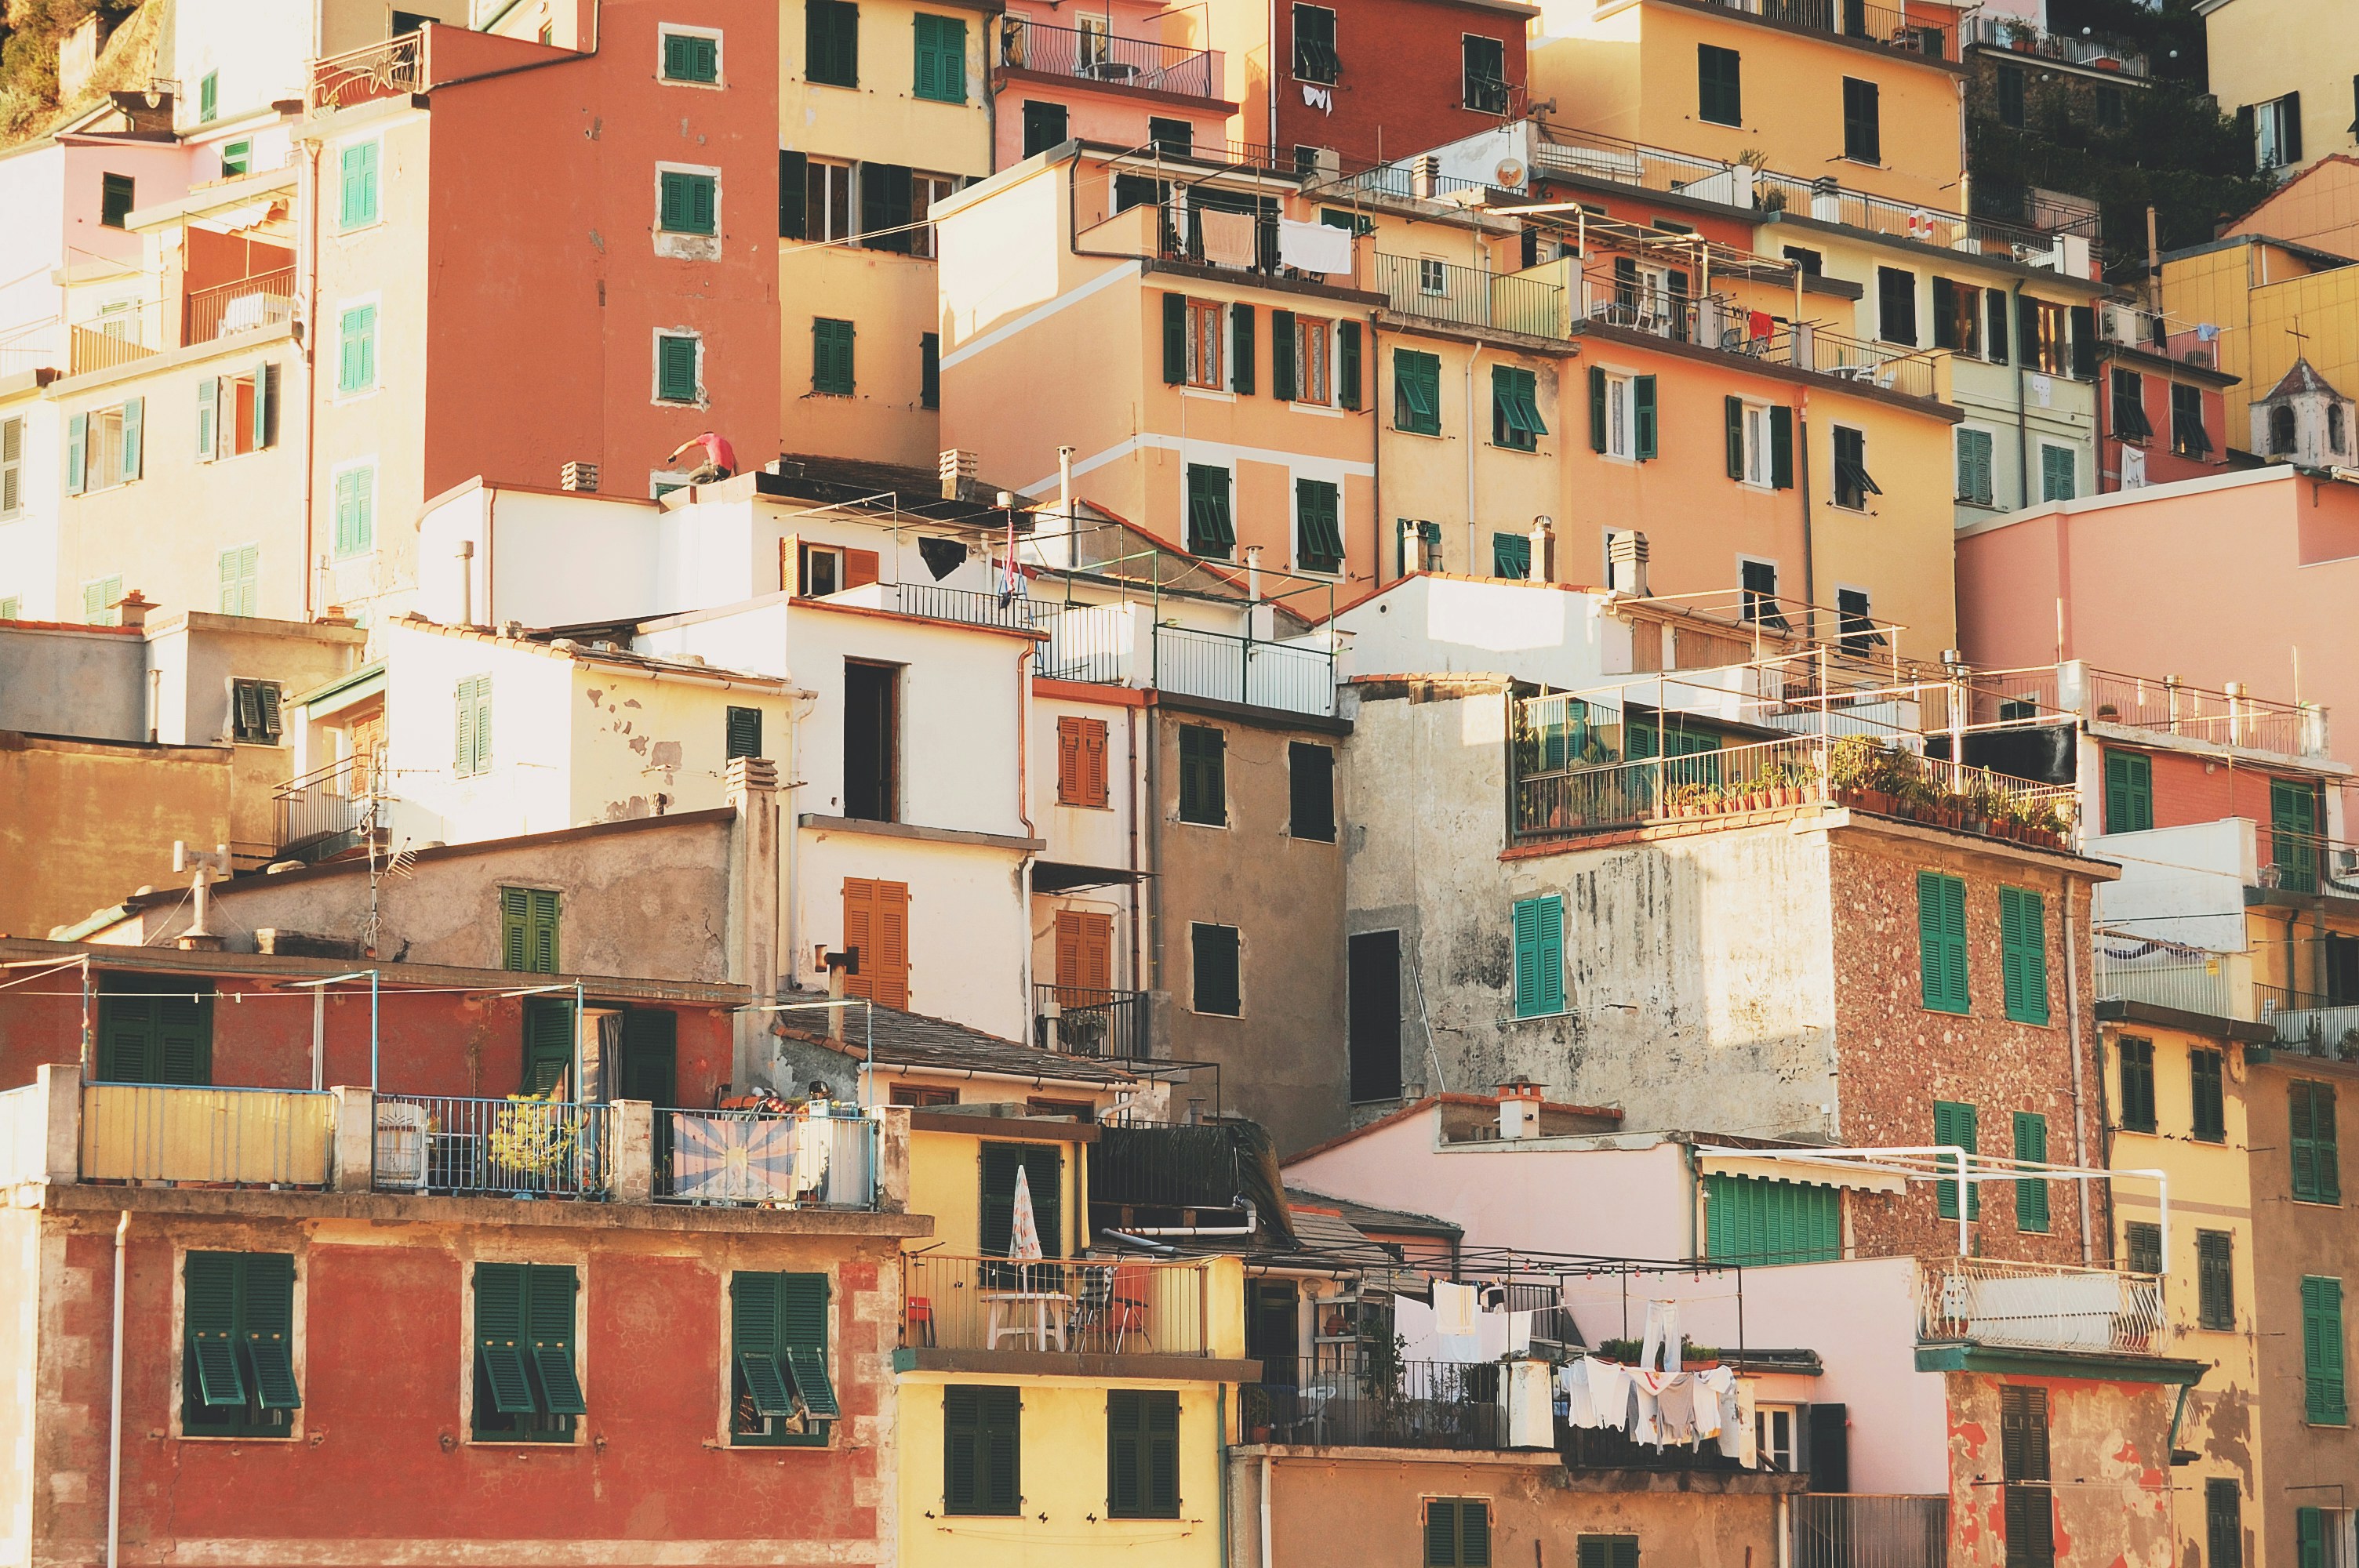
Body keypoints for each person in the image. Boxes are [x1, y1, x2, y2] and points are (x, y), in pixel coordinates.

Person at [667, 430, 737, 483]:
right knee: (706, 461)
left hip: (717, 469)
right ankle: (715, 478)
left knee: (691, 478)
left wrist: (674, 454)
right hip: (727, 473)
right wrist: (737, 477)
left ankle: (711, 480)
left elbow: (687, 445)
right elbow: (735, 463)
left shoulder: (707, 437)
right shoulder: (726, 443)